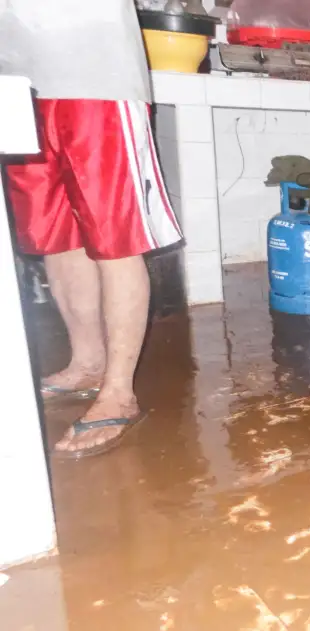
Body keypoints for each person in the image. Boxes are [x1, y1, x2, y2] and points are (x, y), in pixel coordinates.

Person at [0, 0, 182, 458]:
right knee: (53, 235)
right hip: (16, 80)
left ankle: (118, 391)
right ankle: (86, 363)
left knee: (115, 237)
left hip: (96, 72)